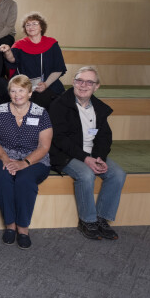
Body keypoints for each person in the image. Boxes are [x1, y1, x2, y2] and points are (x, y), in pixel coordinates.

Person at [49, 66, 126, 240]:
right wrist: (86, 159)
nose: (83, 85)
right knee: (86, 174)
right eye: (80, 81)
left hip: (92, 153)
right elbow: (59, 139)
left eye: (89, 82)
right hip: (65, 154)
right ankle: (87, 221)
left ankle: (101, 218)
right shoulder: (59, 104)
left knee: (118, 174)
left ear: (96, 86)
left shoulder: (99, 108)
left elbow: (104, 137)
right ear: (73, 82)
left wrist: (99, 158)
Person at [0, 74, 53, 249]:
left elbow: (44, 146)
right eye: (13, 91)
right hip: (2, 154)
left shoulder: (41, 113)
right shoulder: (0, 111)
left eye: (21, 91)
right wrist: (5, 158)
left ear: (30, 93)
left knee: (25, 180)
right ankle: (10, 225)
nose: (17, 95)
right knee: (1, 178)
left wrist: (24, 163)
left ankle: (23, 228)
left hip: (34, 158)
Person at [0, 12, 66, 109]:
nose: (31, 27)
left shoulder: (52, 44)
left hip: (48, 84)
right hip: (24, 86)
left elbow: (58, 68)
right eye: (28, 25)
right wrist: (7, 51)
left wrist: (45, 84)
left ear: (41, 27)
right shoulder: (19, 44)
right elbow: (12, 60)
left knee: (53, 102)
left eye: (34, 24)